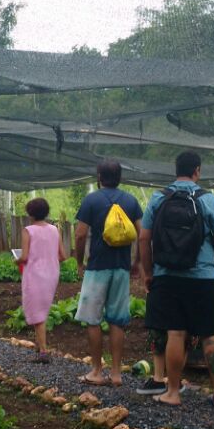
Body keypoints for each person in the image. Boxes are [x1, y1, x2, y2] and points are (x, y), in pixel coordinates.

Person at [137, 151, 214, 407]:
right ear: (197, 171)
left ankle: (173, 393)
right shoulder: (205, 198)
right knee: (211, 335)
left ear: (175, 169)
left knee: (176, 334)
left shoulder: (159, 198)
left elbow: (144, 238)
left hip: (168, 276)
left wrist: (148, 273)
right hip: (204, 277)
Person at [73, 160, 143, 387]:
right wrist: (137, 262)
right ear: (120, 177)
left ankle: (96, 370)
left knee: (92, 320)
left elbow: (80, 234)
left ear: (99, 176)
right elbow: (142, 235)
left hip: (97, 268)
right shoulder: (131, 201)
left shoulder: (91, 200)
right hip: (121, 268)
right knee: (117, 321)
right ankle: (116, 374)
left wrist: (79, 262)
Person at [16, 197, 67, 362]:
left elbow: (24, 256)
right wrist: (48, 260)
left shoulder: (28, 230)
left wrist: (16, 260)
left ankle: (44, 352)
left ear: (31, 214)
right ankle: (39, 346)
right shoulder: (54, 230)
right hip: (51, 274)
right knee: (41, 308)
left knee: (37, 313)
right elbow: (63, 256)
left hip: (34, 274)